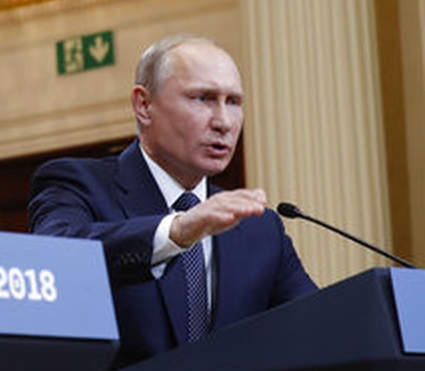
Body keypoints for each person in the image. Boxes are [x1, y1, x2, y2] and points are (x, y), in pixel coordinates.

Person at [28, 34, 316, 368]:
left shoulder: (261, 228)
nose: (223, 121)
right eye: (202, 98)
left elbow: (318, 327)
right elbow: (56, 260)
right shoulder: (76, 185)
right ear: (143, 105)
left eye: (234, 102)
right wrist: (176, 230)